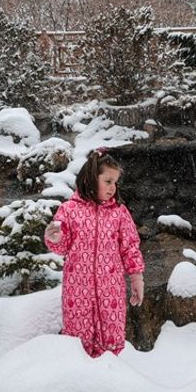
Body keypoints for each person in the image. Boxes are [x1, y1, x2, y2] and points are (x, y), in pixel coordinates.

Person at [44, 147, 145, 357]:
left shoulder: (119, 212)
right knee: (77, 341)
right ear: (91, 178)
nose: (112, 187)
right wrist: (55, 238)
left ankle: (108, 370)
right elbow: (62, 247)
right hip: (77, 290)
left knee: (111, 338)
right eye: (108, 181)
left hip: (111, 290)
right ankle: (78, 371)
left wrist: (136, 279)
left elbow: (130, 247)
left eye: (115, 182)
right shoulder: (69, 210)